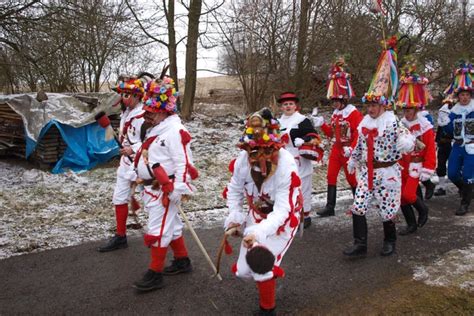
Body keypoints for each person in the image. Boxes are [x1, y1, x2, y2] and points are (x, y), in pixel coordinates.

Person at [223, 108, 302, 315]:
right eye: (254, 152)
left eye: (267, 151)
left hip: (282, 220)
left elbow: (284, 209)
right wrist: (235, 217)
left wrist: (259, 232)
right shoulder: (242, 159)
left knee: (261, 265)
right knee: (243, 271)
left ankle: (268, 309)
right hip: (255, 216)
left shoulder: (287, 164)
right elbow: (234, 190)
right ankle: (267, 275)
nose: (260, 158)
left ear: (276, 145)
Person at [132, 77, 198, 291]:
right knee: (173, 226)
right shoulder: (157, 128)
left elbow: (184, 163)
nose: (147, 115)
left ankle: (155, 273)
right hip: (152, 187)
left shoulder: (174, 131)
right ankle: (182, 261)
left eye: (151, 111)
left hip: (166, 190)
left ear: (164, 111)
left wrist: (178, 189)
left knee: (158, 229)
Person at [98, 74, 149, 252]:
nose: (123, 98)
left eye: (126, 95)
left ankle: (162, 236)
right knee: (119, 198)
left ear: (137, 96)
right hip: (125, 163)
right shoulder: (125, 113)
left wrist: (133, 149)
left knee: (151, 202)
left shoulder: (145, 115)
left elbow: (152, 140)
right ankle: (121, 236)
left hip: (142, 164)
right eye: (122, 94)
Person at [312, 58, 363, 217]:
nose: (333, 104)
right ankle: (330, 207)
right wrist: (322, 125)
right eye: (332, 101)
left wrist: (352, 149)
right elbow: (331, 134)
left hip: (348, 151)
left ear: (343, 100)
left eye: (336, 101)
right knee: (331, 176)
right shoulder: (335, 114)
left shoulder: (354, 114)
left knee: (351, 179)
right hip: (336, 149)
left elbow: (358, 134)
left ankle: (359, 204)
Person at [396, 63, 436, 235]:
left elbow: (430, 150)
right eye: (405, 109)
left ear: (417, 108)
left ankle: (423, 209)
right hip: (402, 165)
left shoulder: (424, 126)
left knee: (409, 194)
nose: (407, 112)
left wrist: (428, 168)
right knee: (400, 197)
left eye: (410, 109)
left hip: (416, 166)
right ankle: (411, 224)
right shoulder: (401, 124)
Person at [277, 92, 320, 228]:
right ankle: (288, 213)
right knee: (285, 187)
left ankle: (304, 215)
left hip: (299, 159)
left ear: (296, 106)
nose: (288, 106)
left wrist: (305, 139)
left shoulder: (302, 120)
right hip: (282, 159)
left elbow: (314, 135)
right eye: (285, 104)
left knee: (302, 187)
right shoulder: (278, 122)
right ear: (281, 107)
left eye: (290, 104)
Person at [438, 61, 473, 216]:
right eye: (461, 95)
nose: (464, 98)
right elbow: (449, 130)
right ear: (458, 96)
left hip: (472, 147)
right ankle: (466, 191)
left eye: (467, 95)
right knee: (452, 173)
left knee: (468, 176)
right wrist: (444, 121)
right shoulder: (454, 111)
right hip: (457, 146)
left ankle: (464, 203)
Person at [434, 95, 455, 196]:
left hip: (452, 144)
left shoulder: (453, 117)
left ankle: (463, 186)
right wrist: (438, 141)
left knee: (456, 166)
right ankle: (442, 187)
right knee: (441, 165)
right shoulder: (442, 119)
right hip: (442, 145)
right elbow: (440, 131)